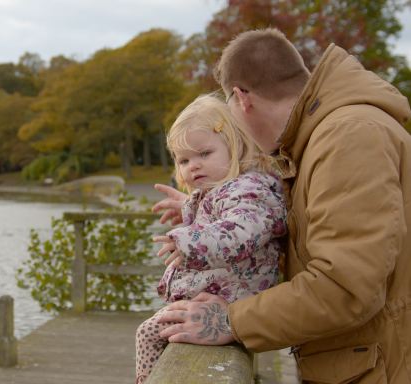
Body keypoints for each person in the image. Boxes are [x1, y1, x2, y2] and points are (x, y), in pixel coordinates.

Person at [152, 28, 411, 383]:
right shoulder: (325, 136)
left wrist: (230, 320)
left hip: (385, 367)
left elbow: (346, 288)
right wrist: (207, 208)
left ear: (242, 99)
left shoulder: (349, 137)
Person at [135, 94, 287, 383]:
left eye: (204, 154)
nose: (192, 166)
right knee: (153, 332)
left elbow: (239, 232)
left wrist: (189, 240)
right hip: (223, 297)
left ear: (236, 147)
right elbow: (221, 215)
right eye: (183, 160)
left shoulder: (250, 189)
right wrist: (189, 207)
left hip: (235, 303)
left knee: (149, 333)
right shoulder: (226, 191)